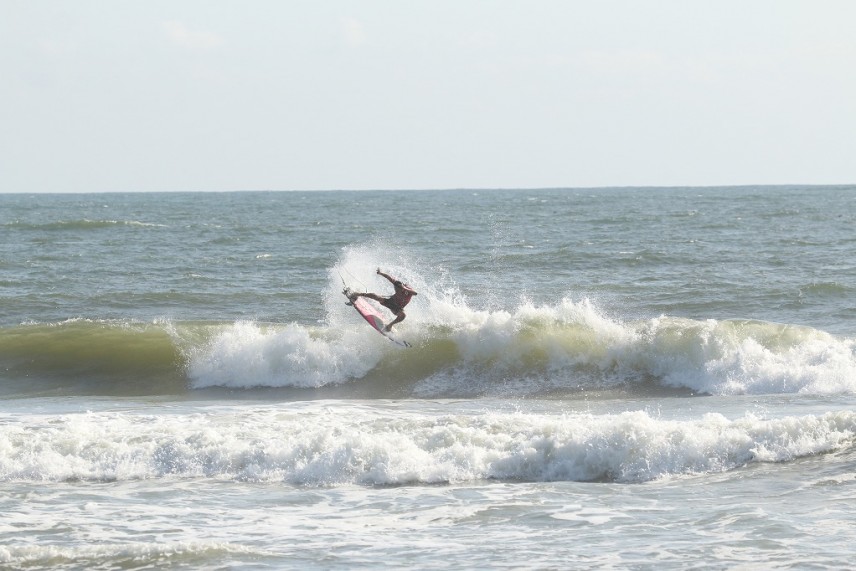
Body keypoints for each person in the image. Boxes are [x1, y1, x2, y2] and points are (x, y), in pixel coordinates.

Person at [349, 269, 417, 331]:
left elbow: (415, 293)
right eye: (395, 289)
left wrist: (404, 288)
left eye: (397, 290)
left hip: (397, 308)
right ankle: (357, 294)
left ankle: (390, 325)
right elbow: (389, 277)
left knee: (403, 315)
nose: (396, 291)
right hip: (390, 302)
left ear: (402, 288)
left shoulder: (408, 291)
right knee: (375, 296)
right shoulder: (396, 284)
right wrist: (380, 273)